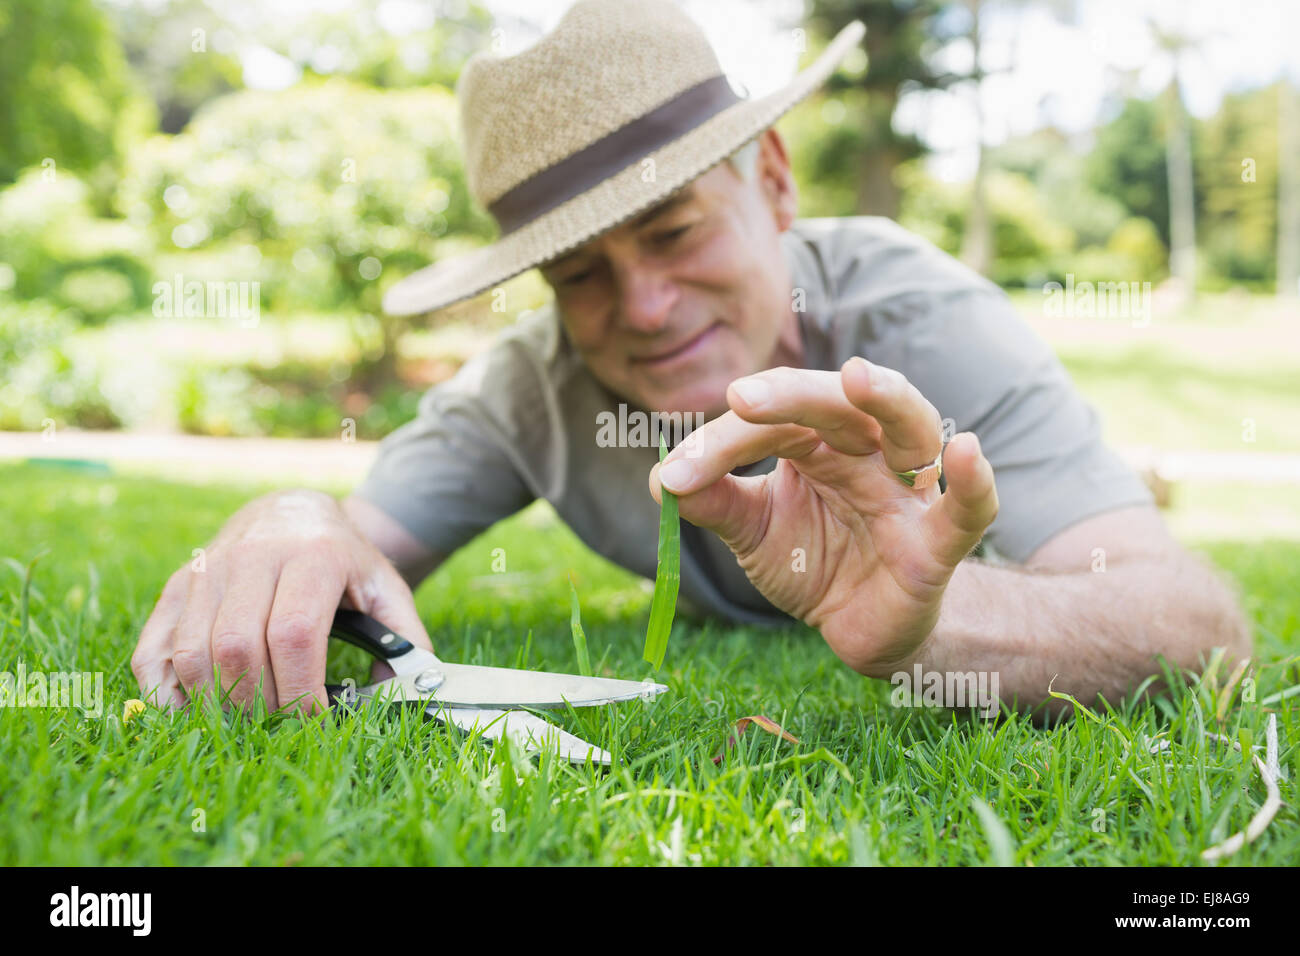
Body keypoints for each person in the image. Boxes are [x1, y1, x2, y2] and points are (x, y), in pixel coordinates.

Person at [131, 0, 1250, 718]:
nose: (645, 306)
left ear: (771, 178)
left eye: (672, 232)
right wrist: (287, 512)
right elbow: (346, 542)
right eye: (577, 273)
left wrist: (934, 616)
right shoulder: (533, 387)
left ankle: (1121, 470)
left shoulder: (919, 321)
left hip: (990, 488)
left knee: (1093, 505)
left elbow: (1195, 625)